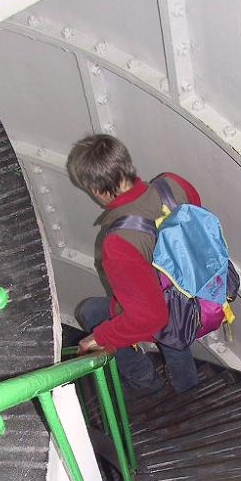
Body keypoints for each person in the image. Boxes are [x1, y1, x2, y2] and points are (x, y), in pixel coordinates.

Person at [67, 133, 200, 395]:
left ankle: (146, 386)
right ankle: (189, 394)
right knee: (176, 340)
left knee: (96, 317)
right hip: (197, 295)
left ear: (95, 189)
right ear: (125, 163)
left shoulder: (119, 243)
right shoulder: (174, 184)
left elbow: (151, 317)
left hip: (167, 310)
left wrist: (99, 338)